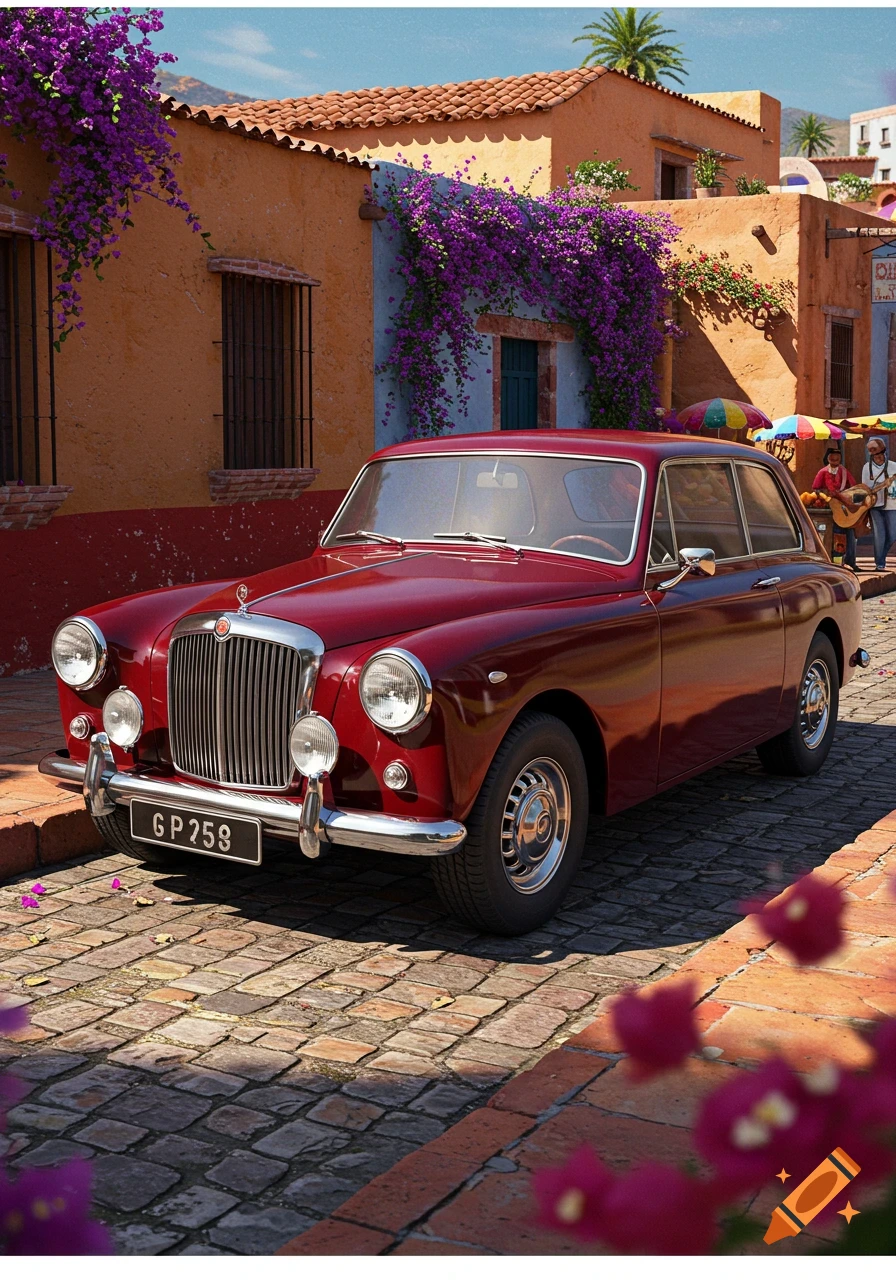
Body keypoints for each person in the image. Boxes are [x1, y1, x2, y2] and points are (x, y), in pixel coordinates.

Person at [811, 446, 859, 571]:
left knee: (850, 535)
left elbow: (853, 486)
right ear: (828, 459)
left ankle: (850, 561)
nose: (835, 461)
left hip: (844, 508)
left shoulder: (844, 472)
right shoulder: (822, 472)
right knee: (836, 535)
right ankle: (836, 562)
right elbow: (816, 488)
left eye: (837, 459)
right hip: (829, 508)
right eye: (832, 459)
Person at [862, 437, 896, 571]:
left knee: (893, 535)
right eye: (875, 455)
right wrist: (883, 485)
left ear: (884, 452)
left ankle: (882, 555)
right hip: (875, 506)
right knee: (879, 535)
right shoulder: (867, 468)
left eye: (880, 454)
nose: (878, 457)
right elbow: (866, 490)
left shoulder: (893, 466)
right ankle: (880, 563)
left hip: (892, 505)